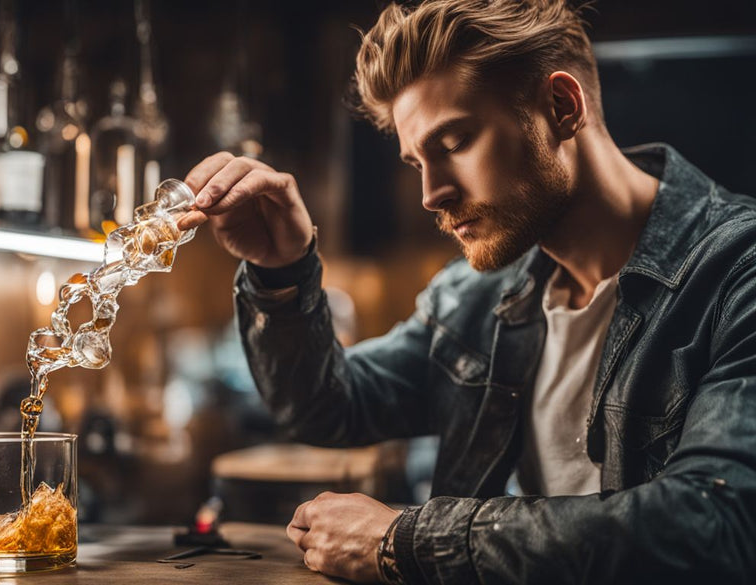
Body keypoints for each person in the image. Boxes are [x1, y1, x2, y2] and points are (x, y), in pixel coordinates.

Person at [177, 0, 756, 583]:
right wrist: (282, 271)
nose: (431, 194)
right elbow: (331, 406)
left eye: (453, 142)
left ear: (561, 106)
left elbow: (716, 525)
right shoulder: (478, 296)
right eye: (415, 161)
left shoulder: (738, 271)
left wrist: (404, 540)